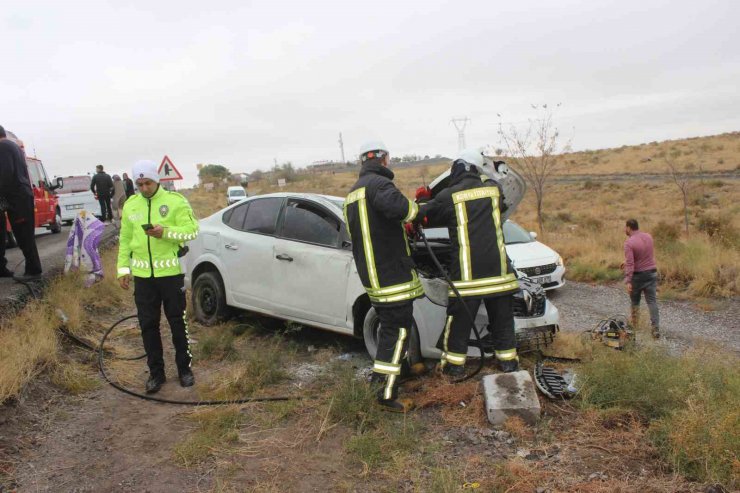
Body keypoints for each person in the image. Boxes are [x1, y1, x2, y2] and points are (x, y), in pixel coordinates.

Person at [414, 148, 520, 377]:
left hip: (467, 279)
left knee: (459, 324)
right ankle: (509, 363)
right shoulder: (493, 190)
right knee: (503, 321)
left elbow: (423, 216)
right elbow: (500, 207)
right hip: (500, 275)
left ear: (457, 169)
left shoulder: (448, 196)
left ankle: (454, 367)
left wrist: (424, 198)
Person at [344, 140, 423, 412]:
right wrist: (419, 208)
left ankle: (399, 373)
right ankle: (385, 394)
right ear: (384, 159)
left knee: (394, 328)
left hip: (373, 277)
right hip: (391, 276)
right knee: (395, 331)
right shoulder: (380, 186)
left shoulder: (353, 194)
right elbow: (404, 210)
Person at [117, 160, 199, 394]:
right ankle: (156, 373)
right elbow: (125, 240)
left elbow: (193, 230)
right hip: (143, 278)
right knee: (148, 325)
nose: (144, 188)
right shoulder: (131, 205)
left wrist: (166, 233)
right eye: (139, 184)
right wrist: (123, 270)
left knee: (177, 322)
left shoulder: (175, 202)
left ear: (157, 180)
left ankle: (184, 369)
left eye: (148, 183)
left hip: (171, 274)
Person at [0, 125, 43, 281]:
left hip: (17, 198)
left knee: (24, 235)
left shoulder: (3, 147)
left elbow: (5, 173)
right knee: (24, 234)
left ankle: (34, 271)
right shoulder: (13, 146)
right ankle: (29, 269)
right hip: (21, 196)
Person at [623, 219, 660, 338]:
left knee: (635, 302)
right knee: (652, 302)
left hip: (638, 277)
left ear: (629, 228)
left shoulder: (629, 243)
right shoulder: (648, 237)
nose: (625, 230)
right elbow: (645, 256)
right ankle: (655, 329)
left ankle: (634, 327)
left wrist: (628, 281)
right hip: (651, 273)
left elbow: (631, 264)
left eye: (625, 227)